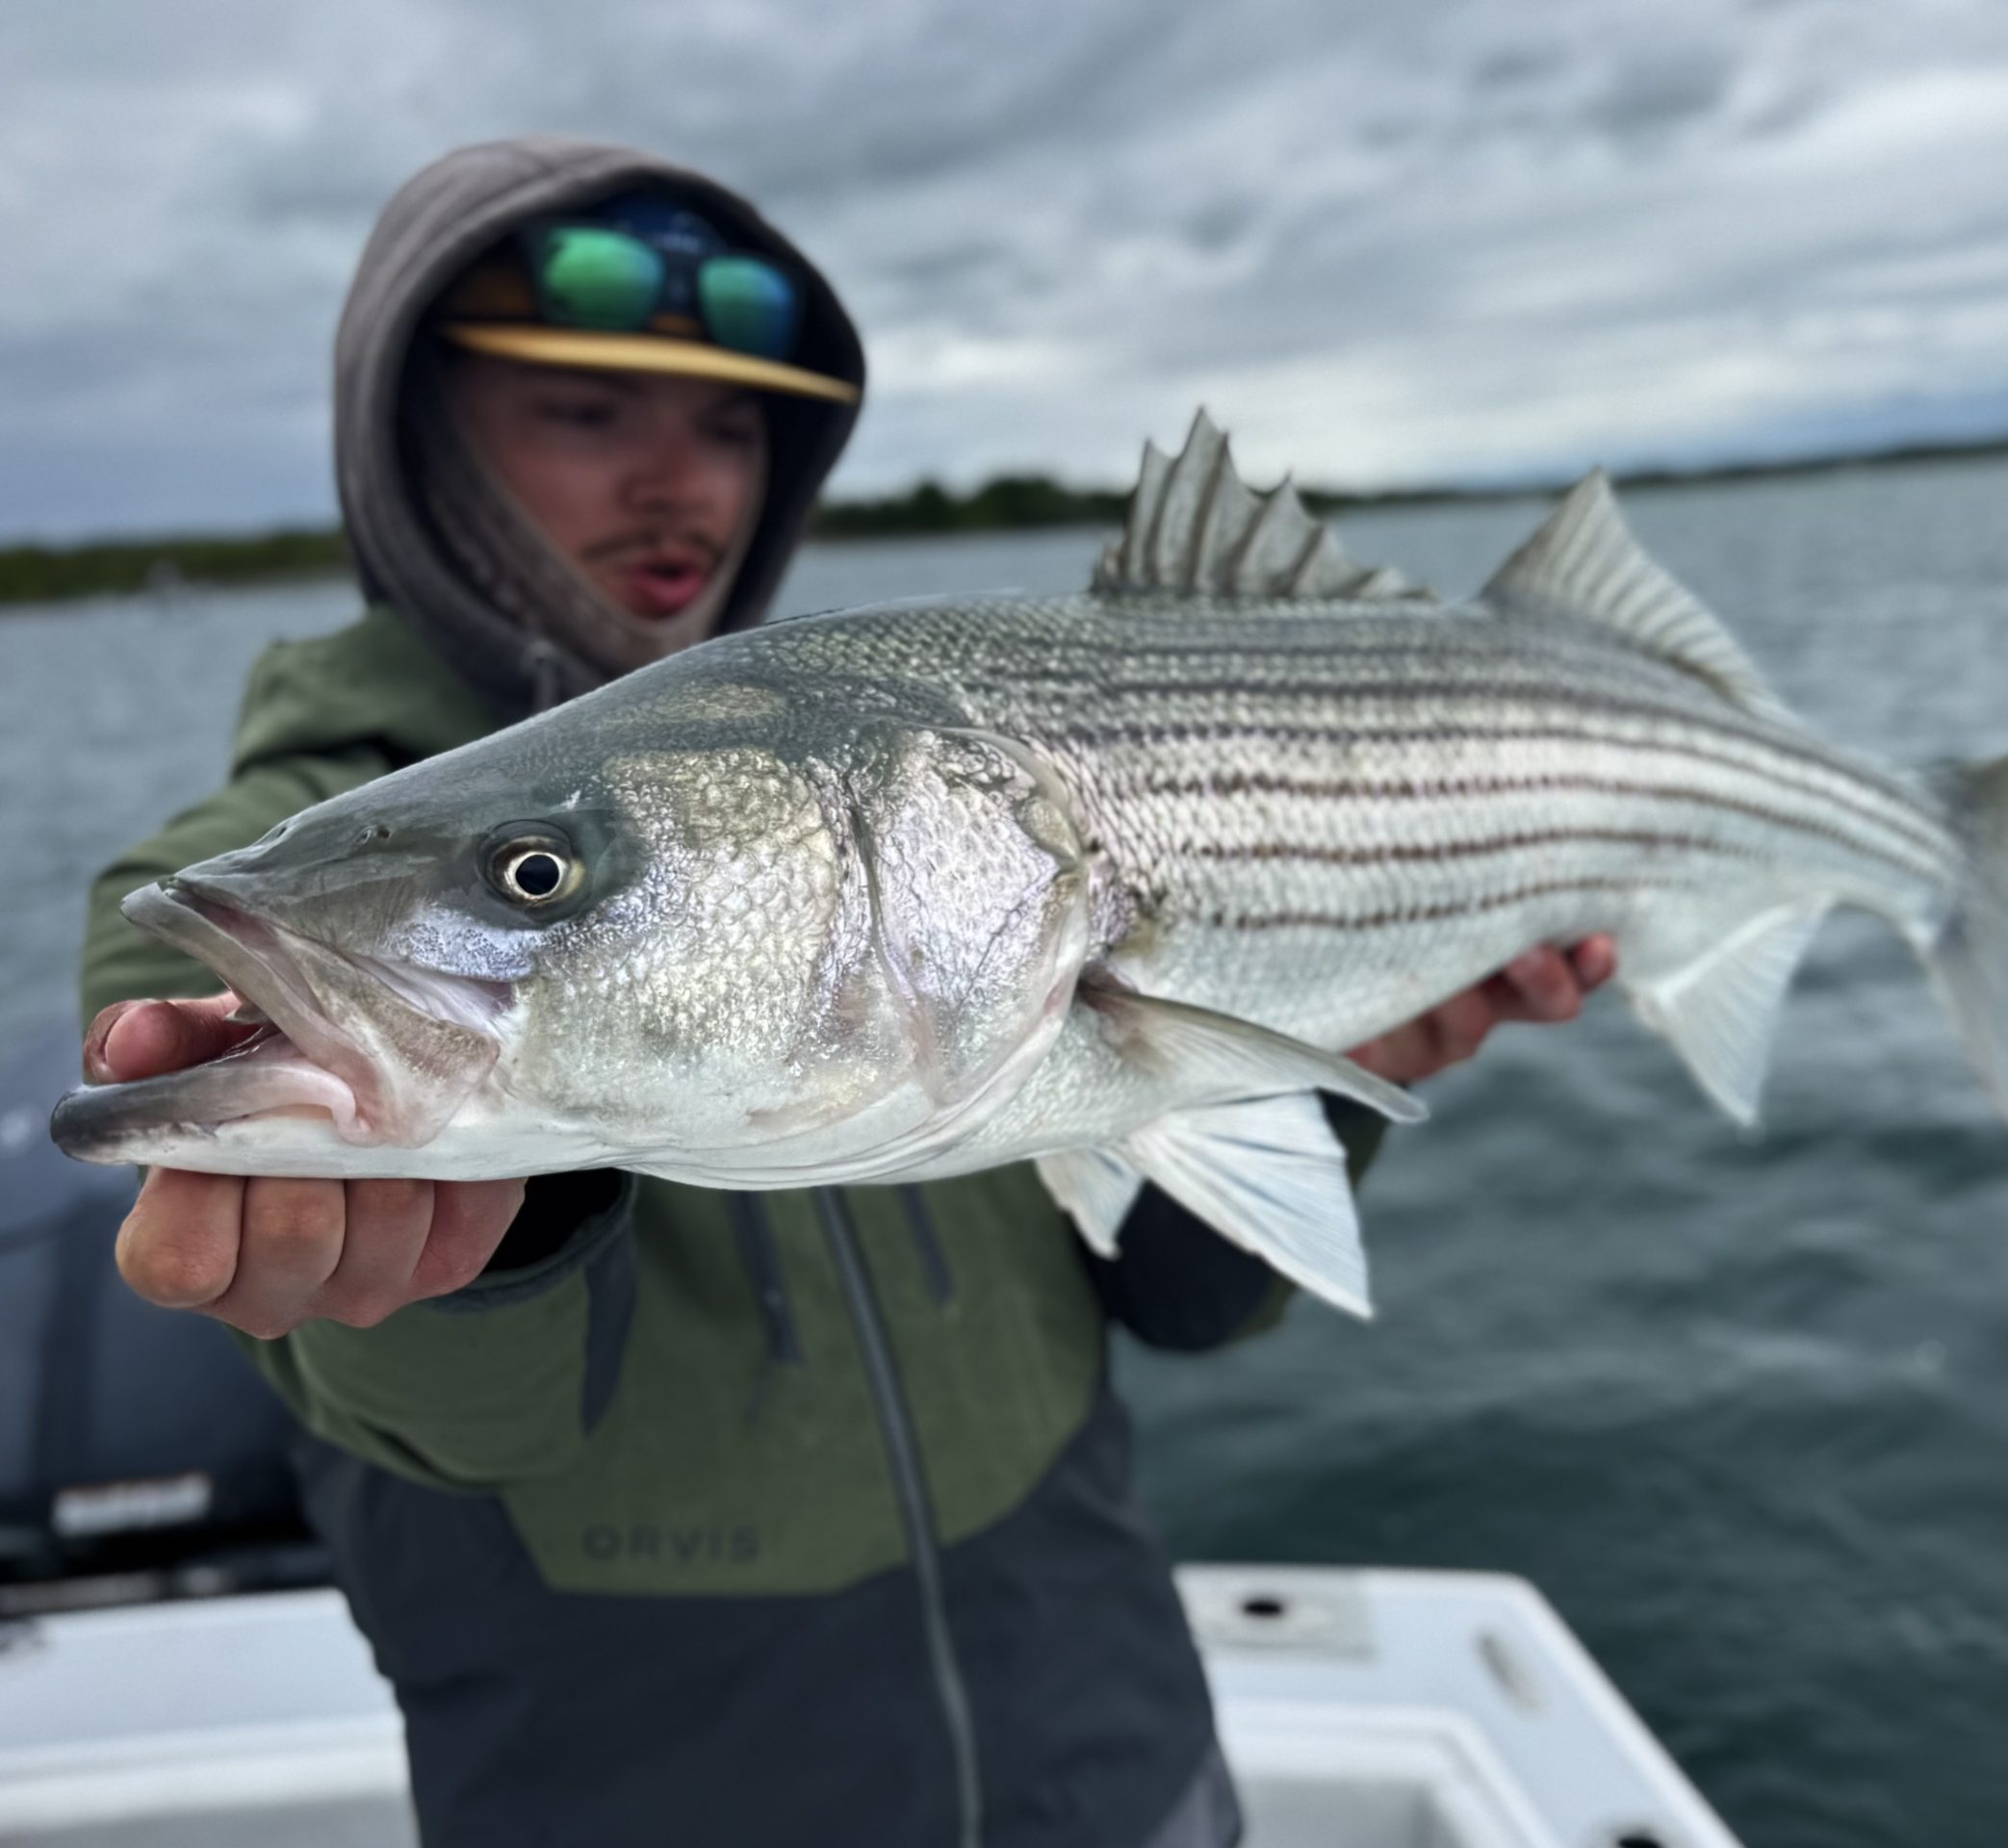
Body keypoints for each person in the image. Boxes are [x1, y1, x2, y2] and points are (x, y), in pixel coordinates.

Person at [79, 137, 1616, 1848]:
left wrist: (1343, 1052)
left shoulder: (883, 735)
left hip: (1119, 1762)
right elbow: (463, 1437)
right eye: (589, 412)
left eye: (733, 426)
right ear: (416, 438)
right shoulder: (243, 889)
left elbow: (1186, 1303)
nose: (679, 483)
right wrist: (486, 1238)